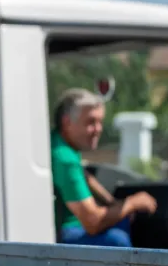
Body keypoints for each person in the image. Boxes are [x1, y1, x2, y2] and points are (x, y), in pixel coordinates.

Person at [51, 88, 157, 247]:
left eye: (100, 122)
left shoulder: (59, 143)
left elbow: (84, 175)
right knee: (117, 241)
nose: (98, 129)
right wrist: (132, 203)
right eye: (91, 122)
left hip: (68, 227)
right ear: (67, 122)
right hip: (63, 233)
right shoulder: (64, 159)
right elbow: (93, 223)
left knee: (121, 218)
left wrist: (113, 203)